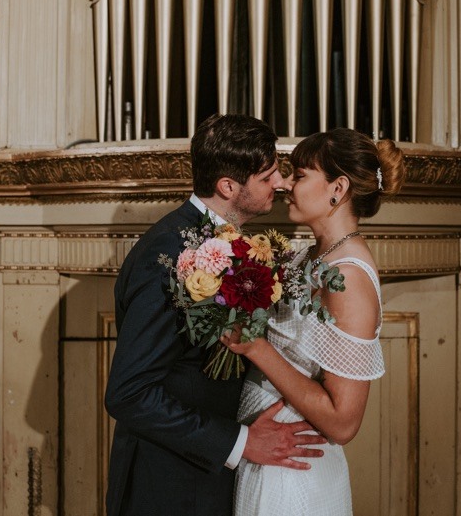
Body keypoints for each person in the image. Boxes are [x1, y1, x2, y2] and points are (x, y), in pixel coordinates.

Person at [105, 114, 327, 516]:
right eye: (268, 176)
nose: (280, 184)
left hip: (205, 480)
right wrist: (241, 443)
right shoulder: (169, 255)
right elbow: (129, 393)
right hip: (168, 487)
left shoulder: (224, 242)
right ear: (228, 187)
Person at [221, 128, 405, 515]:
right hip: (268, 457)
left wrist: (256, 347)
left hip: (297, 472)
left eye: (300, 175)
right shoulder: (305, 258)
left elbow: (343, 423)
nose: (286, 183)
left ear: (337, 188)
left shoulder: (349, 277)